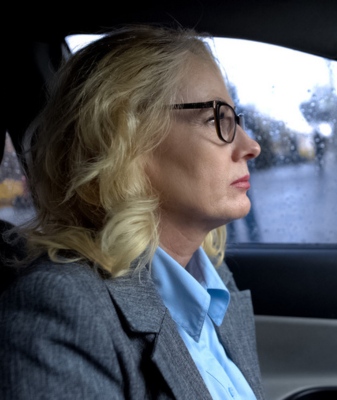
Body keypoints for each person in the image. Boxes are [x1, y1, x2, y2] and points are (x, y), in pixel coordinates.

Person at [0, 25, 264, 399]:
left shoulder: (213, 281)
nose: (250, 145)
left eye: (236, 119)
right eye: (216, 119)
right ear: (125, 137)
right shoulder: (62, 309)